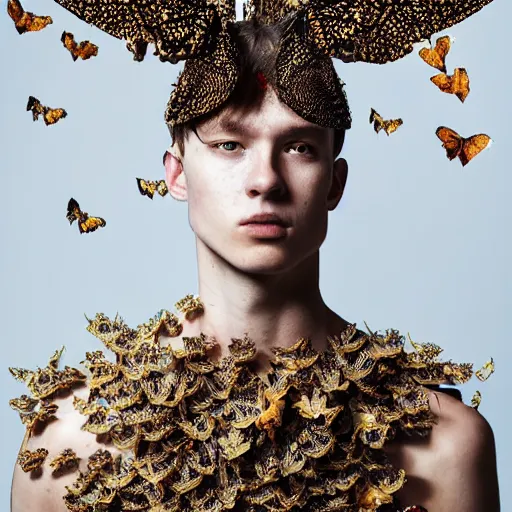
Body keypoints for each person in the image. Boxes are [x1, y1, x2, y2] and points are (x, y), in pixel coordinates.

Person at [10, 5, 500, 512]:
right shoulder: (68, 443)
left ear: (334, 182)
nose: (264, 179)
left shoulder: (445, 446)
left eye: (299, 147)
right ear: (176, 175)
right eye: (229, 144)